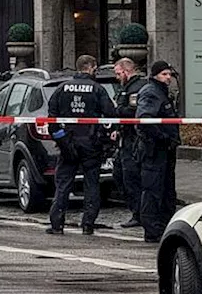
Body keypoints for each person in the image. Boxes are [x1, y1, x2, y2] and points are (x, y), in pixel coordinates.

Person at [47, 55, 117, 235]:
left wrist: (61, 139)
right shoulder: (97, 89)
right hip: (91, 142)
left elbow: (52, 118)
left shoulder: (62, 89)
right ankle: (88, 224)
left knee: (63, 184)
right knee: (92, 184)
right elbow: (110, 114)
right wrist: (107, 136)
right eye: (95, 68)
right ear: (90, 67)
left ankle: (56, 224)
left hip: (68, 142)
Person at [137, 61, 180, 243]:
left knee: (167, 190)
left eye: (169, 74)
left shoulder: (161, 92)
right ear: (155, 75)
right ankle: (152, 229)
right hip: (154, 150)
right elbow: (145, 120)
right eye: (164, 74)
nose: (168, 78)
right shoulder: (151, 92)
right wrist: (162, 138)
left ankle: (163, 226)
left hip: (165, 150)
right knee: (153, 190)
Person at [111, 58, 146, 229]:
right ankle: (136, 211)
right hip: (125, 137)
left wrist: (116, 111)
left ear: (126, 71)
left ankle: (139, 213)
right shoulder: (126, 87)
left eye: (118, 73)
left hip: (134, 139)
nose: (117, 77)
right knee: (120, 175)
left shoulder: (137, 87)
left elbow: (133, 112)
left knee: (131, 177)